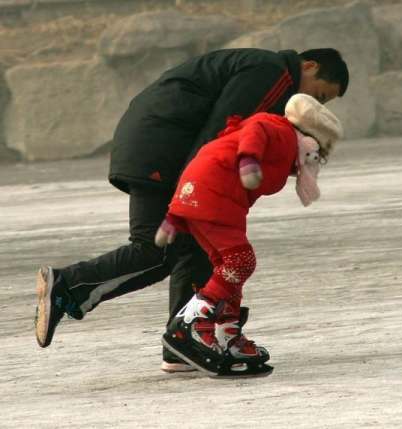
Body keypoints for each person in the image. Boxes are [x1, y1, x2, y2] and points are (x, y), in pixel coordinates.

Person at [34, 48, 350, 373]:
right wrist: (193, 189)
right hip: (161, 146)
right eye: (320, 94)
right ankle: (68, 285)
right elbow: (220, 131)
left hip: (157, 141)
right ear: (308, 66)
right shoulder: (273, 74)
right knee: (155, 251)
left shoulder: (264, 70)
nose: (315, 104)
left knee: (195, 246)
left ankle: (184, 343)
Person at [157, 93, 343, 377]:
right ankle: (191, 322)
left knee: (229, 267)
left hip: (209, 197)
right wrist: (249, 161)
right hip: (213, 197)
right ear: (308, 138)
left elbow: (210, 161)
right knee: (241, 262)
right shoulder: (278, 129)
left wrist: (174, 218)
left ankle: (226, 334)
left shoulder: (283, 150)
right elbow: (255, 131)